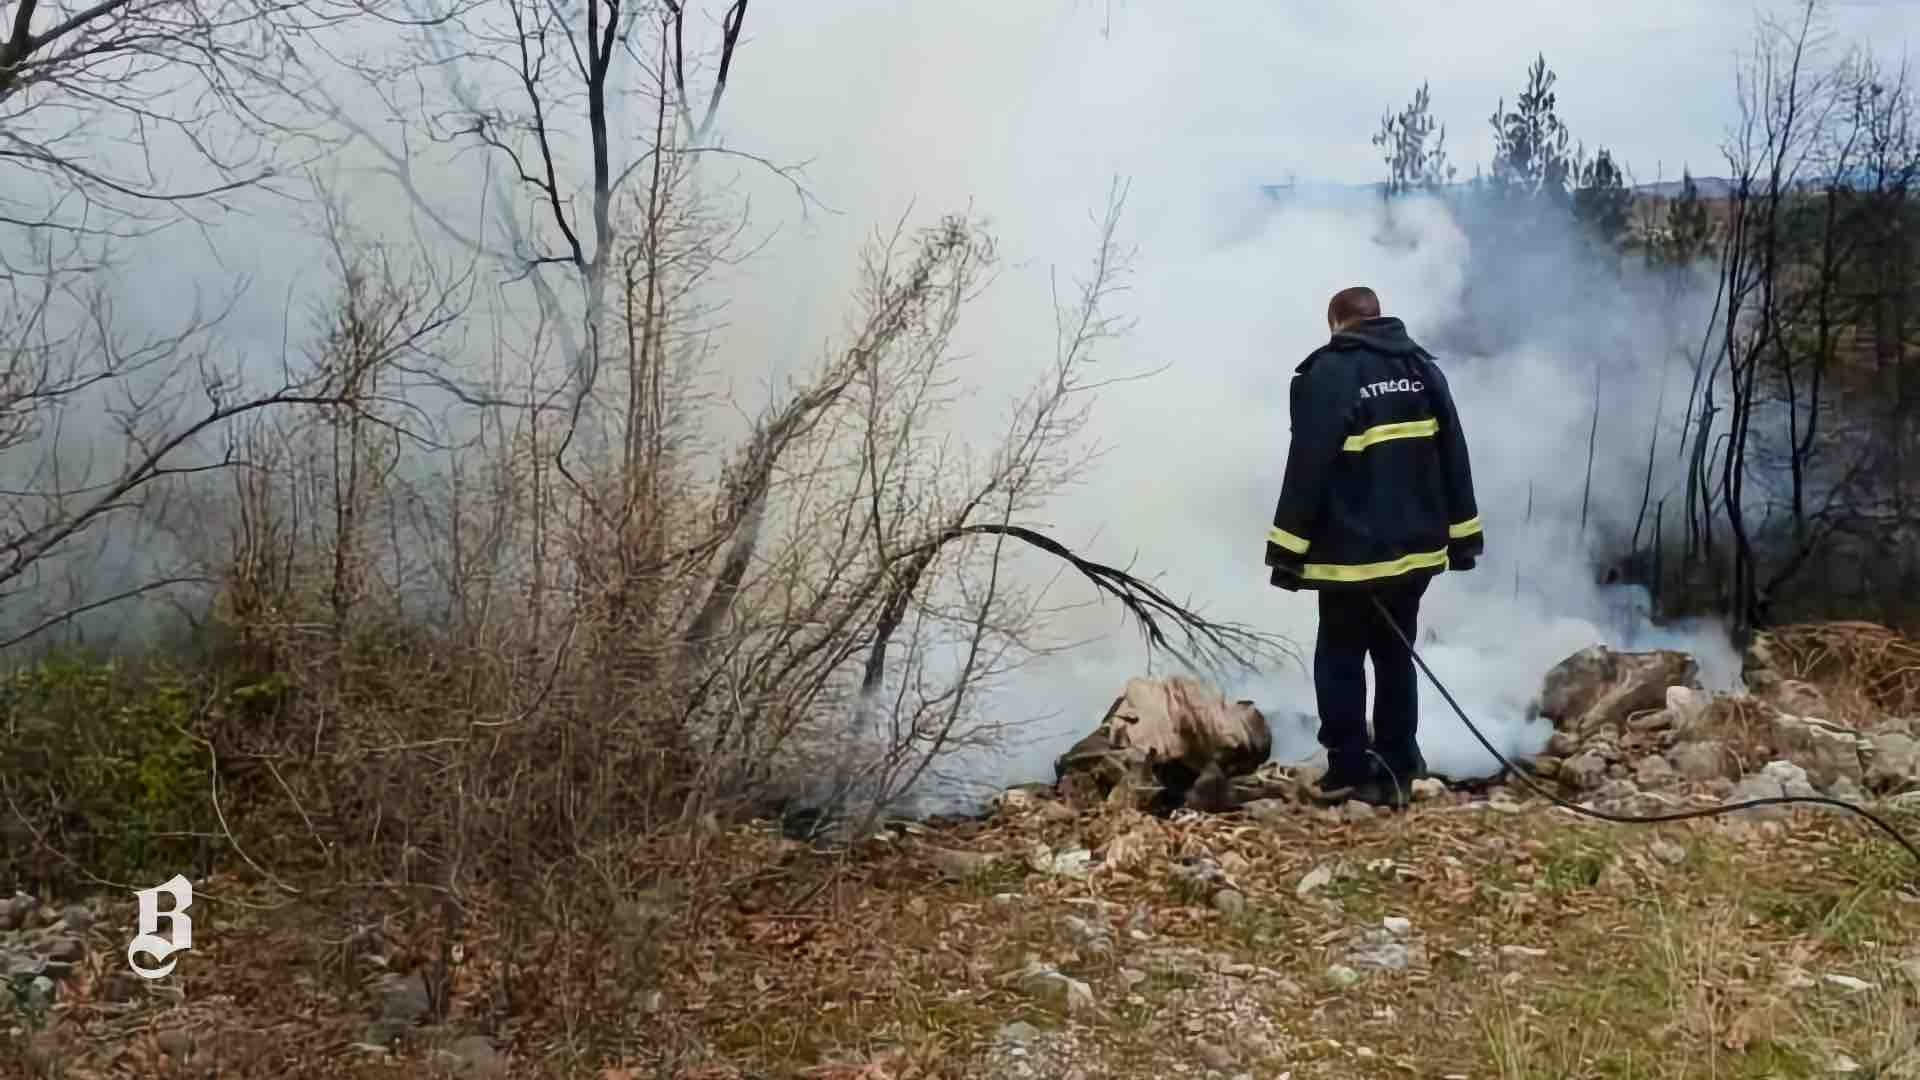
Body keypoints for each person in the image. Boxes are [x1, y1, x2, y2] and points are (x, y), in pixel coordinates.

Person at [1263, 286, 1483, 809]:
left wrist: (1286, 550)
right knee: (1395, 654)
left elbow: (1308, 468)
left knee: (1339, 656)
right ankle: (1400, 763)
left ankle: (1348, 770)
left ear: (1338, 324)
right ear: (1377, 318)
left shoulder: (1329, 375)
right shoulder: (1423, 369)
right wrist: (1464, 537)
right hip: (1418, 553)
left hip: (1352, 558)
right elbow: (1454, 453)